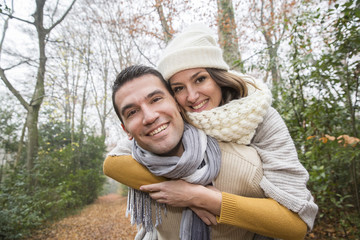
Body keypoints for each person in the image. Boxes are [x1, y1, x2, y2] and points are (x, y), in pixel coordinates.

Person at [104, 64, 309, 240]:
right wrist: (179, 189)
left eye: (156, 99)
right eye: (132, 112)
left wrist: (198, 197)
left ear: (176, 104)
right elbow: (111, 163)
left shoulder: (248, 158)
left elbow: (296, 223)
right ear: (126, 130)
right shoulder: (141, 151)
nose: (149, 116)